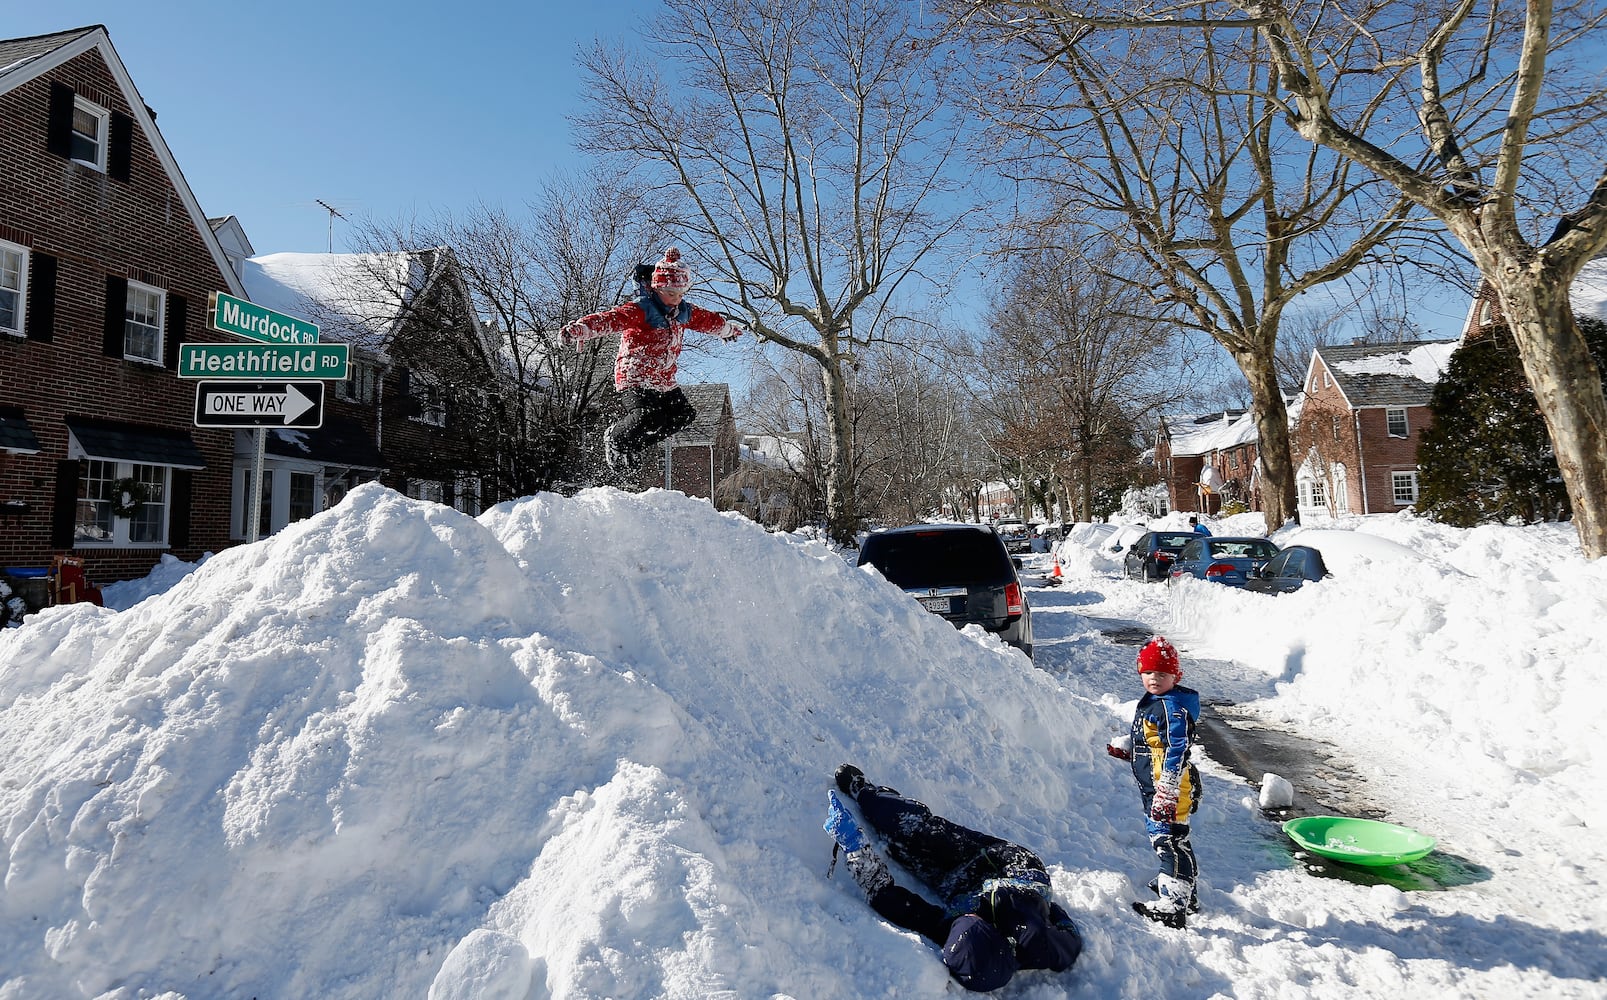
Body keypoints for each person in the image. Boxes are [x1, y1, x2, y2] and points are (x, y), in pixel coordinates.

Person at [823, 764, 1083, 992]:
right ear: (991, 929)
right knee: (924, 834)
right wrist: (1053, 911)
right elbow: (1070, 935)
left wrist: (855, 850)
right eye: (972, 919)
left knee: (903, 845)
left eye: (961, 920)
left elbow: (891, 901)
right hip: (1007, 866)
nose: (964, 917)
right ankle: (865, 792)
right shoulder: (1041, 943)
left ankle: (882, 812)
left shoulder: (955, 935)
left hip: (958, 886)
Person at [561, 246, 745, 474]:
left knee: (682, 416)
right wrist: (581, 329)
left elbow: (708, 321)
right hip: (634, 377)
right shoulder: (642, 309)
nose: (675, 300)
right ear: (657, 288)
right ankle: (615, 439)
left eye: (680, 295)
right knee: (648, 416)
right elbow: (611, 319)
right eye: (670, 294)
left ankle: (633, 446)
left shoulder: (683, 312)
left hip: (663, 379)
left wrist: (726, 330)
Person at [1105, 636, 1202, 928]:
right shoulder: (1156, 702)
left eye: (1161, 674)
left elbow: (1176, 749)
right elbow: (1154, 744)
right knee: (1175, 840)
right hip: (1158, 787)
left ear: (1175, 676)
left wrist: (1168, 790)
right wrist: (1130, 751)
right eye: (1148, 673)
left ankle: (1173, 905)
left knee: (1168, 842)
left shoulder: (1171, 707)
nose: (1154, 679)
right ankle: (1185, 890)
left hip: (1168, 788)